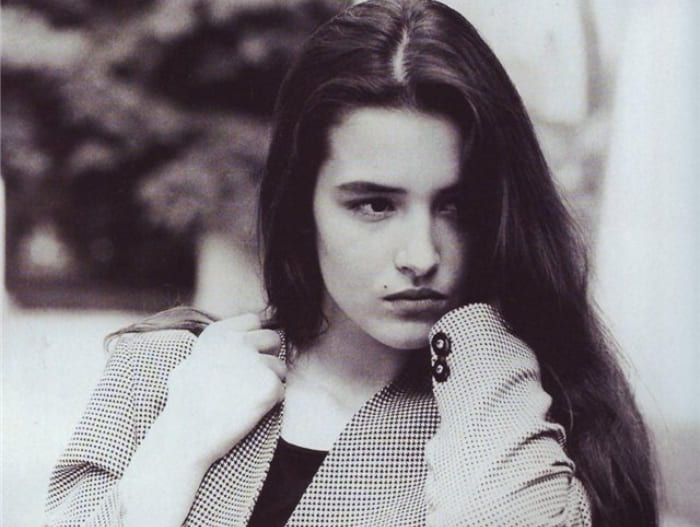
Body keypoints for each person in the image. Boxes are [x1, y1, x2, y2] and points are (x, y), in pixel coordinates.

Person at [45, 1, 658, 525]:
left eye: (456, 206)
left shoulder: (539, 415)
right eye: (374, 205)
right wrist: (178, 444)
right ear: (301, 203)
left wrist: (484, 342)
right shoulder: (164, 375)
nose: (421, 256)